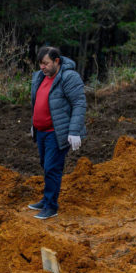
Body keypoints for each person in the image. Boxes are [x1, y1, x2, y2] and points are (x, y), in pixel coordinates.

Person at [27, 46, 87, 219]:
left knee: (52, 168)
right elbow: (36, 102)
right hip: (41, 131)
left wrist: (74, 131)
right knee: (45, 166)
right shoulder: (39, 77)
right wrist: (34, 123)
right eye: (40, 64)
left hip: (57, 131)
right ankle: (46, 199)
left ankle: (51, 206)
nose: (42, 67)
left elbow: (79, 103)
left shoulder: (68, 77)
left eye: (45, 64)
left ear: (56, 61)